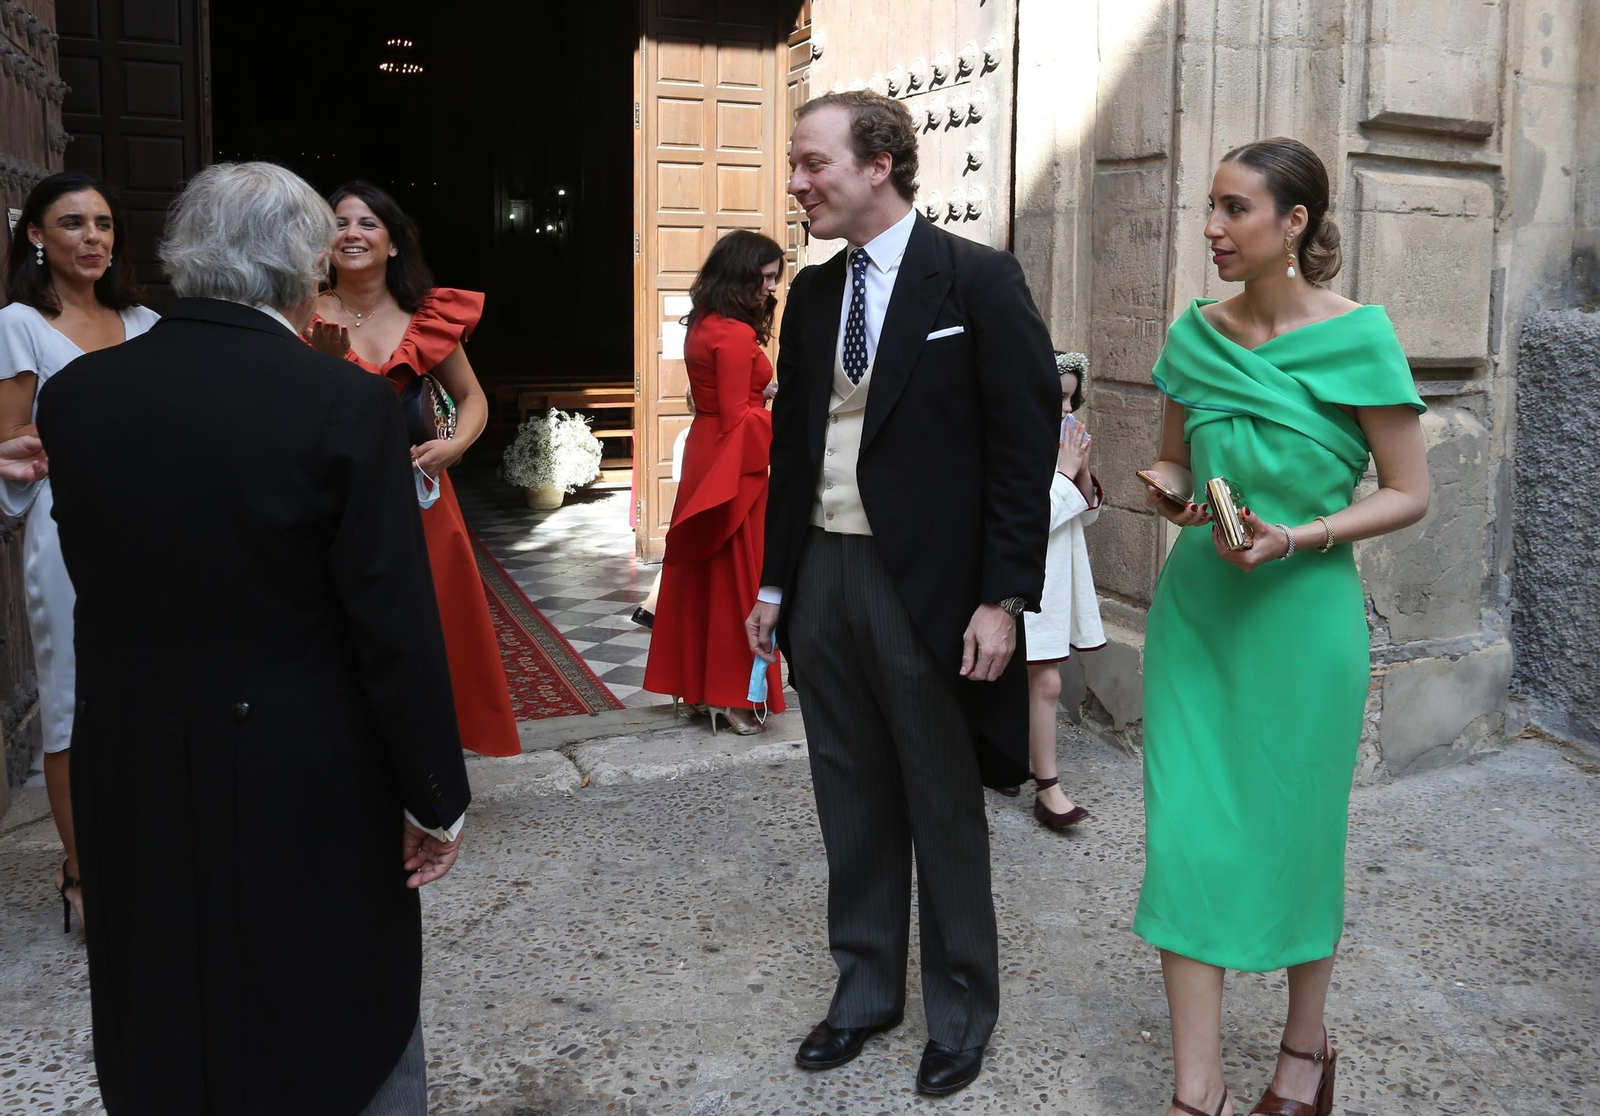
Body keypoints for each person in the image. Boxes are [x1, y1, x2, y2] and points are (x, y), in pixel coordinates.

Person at [34, 161, 472, 1116]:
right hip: (304, 768)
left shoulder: (76, 399)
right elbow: (390, 623)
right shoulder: (342, 405)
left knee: (163, 1001)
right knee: (336, 1008)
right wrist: (433, 795)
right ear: (305, 264)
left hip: (137, 762)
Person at [746, 91, 1057, 1096]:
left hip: (926, 586)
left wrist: (1003, 599)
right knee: (848, 790)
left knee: (939, 799)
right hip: (824, 573)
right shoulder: (813, 294)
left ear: (878, 163)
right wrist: (773, 579)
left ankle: (961, 1009)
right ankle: (865, 990)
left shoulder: (975, 280)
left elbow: (1022, 449)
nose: (796, 184)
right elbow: (796, 450)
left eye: (810, 163)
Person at [1134, 138, 1429, 1116]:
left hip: (1303, 626)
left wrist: (1296, 535)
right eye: (1208, 208)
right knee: (1186, 837)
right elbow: (1176, 461)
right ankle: (1196, 1093)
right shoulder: (1194, 336)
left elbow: (1407, 493)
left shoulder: (1358, 338)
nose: (1211, 229)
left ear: (1293, 223)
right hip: (1200, 621)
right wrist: (1171, 492)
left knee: (1299, 837)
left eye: (1234, 209)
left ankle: (1305, 1050)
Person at [304, 181, 519, 757]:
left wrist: (454, 447)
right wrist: (325, 370)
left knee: (433, 628)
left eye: (367, 223)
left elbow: (472, 399)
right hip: (337, 504)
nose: (352, 233)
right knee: (350, 631)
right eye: (340, 223)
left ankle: (427, 756)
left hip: (423, 500)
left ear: (394, 243)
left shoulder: (426, 318)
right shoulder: (300, 315)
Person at [0, 171, 158, 934]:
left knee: (153, 690)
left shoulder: (149, 321)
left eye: (102, 223)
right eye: (71, 223)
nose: (92, 237)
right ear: (35, 235)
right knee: (71, 700)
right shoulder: (19, 325)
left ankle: (148, 851)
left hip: (155, 527)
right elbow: (12, 447)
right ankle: (81, 867)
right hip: (68, 529)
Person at [644, 230, 787, 735]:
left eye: (774, 277)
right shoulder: (736, 334)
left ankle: (702, 687)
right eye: (764, 277)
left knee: (705, 575)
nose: (771, 288)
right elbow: (739, 421)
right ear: (740, 275)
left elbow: (717, 406)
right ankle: (731, 696)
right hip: (733, 462)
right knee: (736, 578)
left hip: (708, 452)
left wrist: (760, 392)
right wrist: (788, 409)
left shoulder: (703, 323)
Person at [999, 351, 1105, 827]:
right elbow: (1027, 522)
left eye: (1069, 398)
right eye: (1055, 398)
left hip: (1054, 579)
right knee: (1018, 677)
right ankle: (1034, 780)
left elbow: (1087, 515)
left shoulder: (1062, 445)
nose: (1065, 409)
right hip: (1017, 579)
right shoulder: (1009, 444)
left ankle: (1044, 785)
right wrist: (1063, 474)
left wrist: (1079, 472)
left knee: (1044, 679)